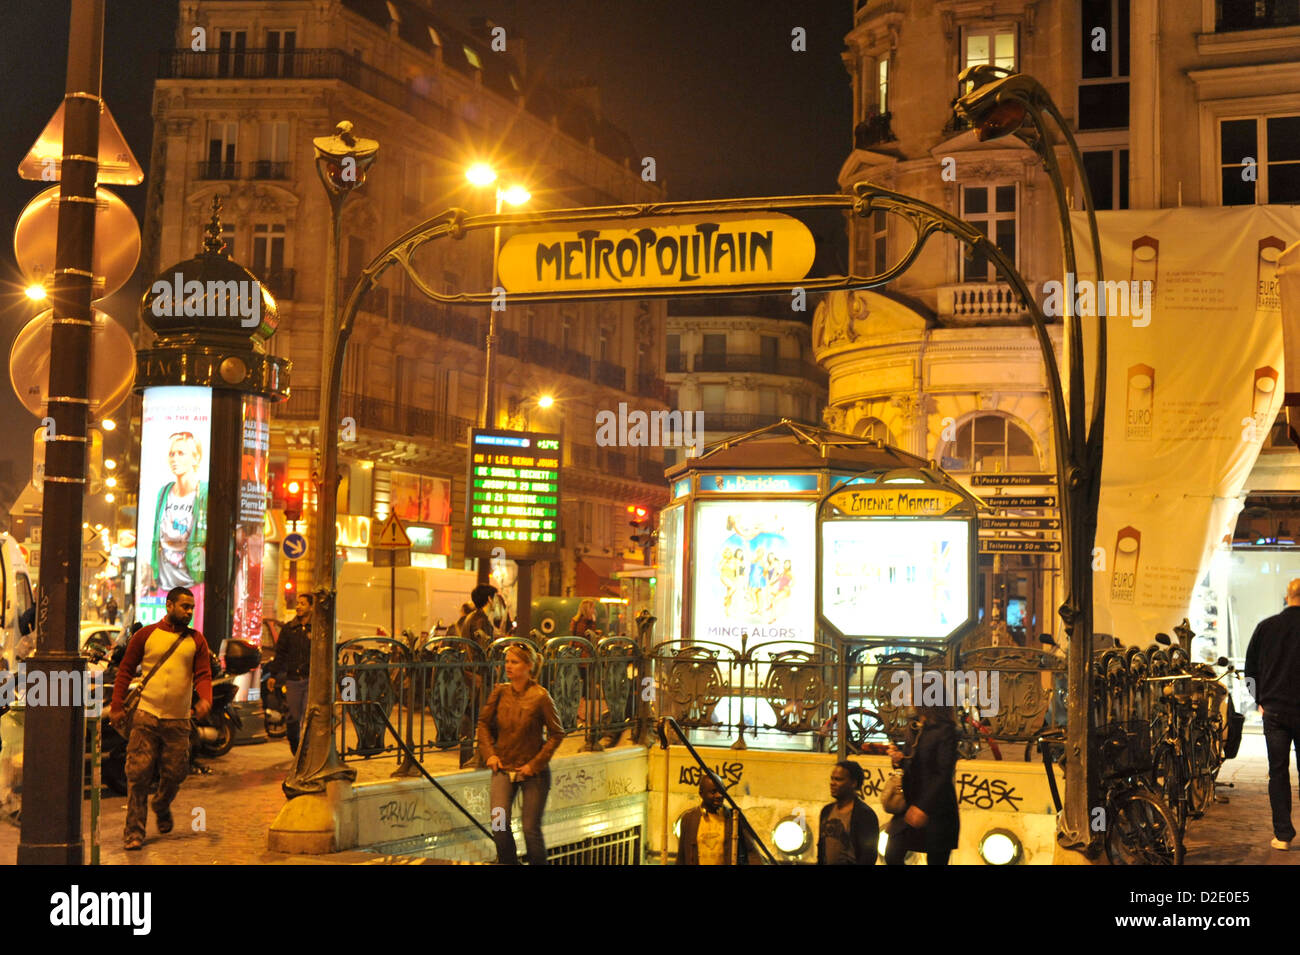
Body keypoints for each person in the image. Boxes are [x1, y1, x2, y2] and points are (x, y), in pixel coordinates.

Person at [109, 586, 212, 851]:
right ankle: (134, 832)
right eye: (184, 606)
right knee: (138, 774)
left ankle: (161, 803)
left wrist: (205, 699)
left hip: (178, 720)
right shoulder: (146, 635)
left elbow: (203, 675)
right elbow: (125, 670)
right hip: (146, 714)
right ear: (169, 605)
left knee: (177, 772)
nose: (189, 612)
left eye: (191, 608)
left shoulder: (197, 641)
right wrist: (117, 705)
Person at [477, 642, 565, 864]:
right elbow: (483, 723)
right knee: (498, 822)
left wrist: (534, 765)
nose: (508, 666)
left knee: (530, 828)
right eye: (507, 661)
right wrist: (490, 754)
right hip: (503, 766)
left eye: (514, 662)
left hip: (532, 772)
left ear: (528, 666)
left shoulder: (540, 696)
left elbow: (557, 733)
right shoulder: (500, 692)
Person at [1244, 578, 1300, 850]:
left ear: (1286, 596)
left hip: (1275, 712)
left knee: (1278, 773)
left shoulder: (1266, 628)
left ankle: (1283, 835)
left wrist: (1259, 700)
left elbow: (1250, 671)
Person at [145, 432, 209, 625]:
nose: (174, 459)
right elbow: (157, 534)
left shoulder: (204, 492)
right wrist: (152, 570)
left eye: (181, 453)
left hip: (193, 584)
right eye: (172, 454)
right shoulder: (164, 492)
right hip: (165, 585)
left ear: (195, 457)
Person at [884, 705, 960, 865]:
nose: (909, 702)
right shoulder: (915, 727)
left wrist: (923, 807)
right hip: (911, 804)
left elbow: (943, 772)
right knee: (892, 853)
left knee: (936, 858)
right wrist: (899, 760)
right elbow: (913, 762)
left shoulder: (945, 730)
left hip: (936, 808)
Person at [677, 774, 763, 865]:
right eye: (713, 792)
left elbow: (752, 851)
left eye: (722, 791)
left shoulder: (734, 818)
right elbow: (681, 856)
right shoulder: (689, 819)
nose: (719, 795)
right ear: (701, 793)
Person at [265, 593, 313, 755]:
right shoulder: (289, 629)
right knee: (293, 718)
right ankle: (296, 750)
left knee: (308, 718)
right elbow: (281, 654)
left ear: (311, 607)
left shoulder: (318, 629)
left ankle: (305, 754)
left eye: (303, 604)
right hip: (293, 680)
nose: (299, 606)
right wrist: (273, 674)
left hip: (310, 680)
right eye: (298, 603)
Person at [817, 760, 879, 864]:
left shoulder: (865, 815)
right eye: (832, 778)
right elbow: (821, 847)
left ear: (853, 783)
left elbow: (869, 855)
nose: (832, 783)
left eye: (838, 779)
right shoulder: (826, 811)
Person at [458, 584, 498, 651]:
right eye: (496, 598)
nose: (497, 603)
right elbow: (485, 648)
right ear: (490, 599)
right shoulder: (481, 620)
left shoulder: (471, 616)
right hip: (477, 661)